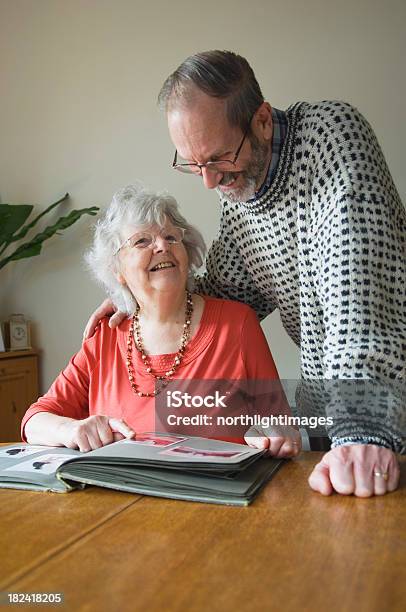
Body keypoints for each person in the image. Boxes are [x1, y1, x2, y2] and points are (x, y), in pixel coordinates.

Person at [85, 50, 405, 497]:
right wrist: (141, 301)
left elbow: (357, 298)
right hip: (327, 422)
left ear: (262, 121)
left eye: (217, 159)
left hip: (382, 409)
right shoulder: (240, 186)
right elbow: (226, 289)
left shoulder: (332, 139)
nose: (209, 182)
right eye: (192, 164)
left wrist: (365, 432)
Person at [22, 184, 300, 458]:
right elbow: (34, 421)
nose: (161, 246)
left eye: (171, 237)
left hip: (214, 498)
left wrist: (275, 435)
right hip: (120, 499)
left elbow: (280, 424)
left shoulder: (237, 324)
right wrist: (72, 430)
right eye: (142, 241)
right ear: (116, 269)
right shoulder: (105, 337)